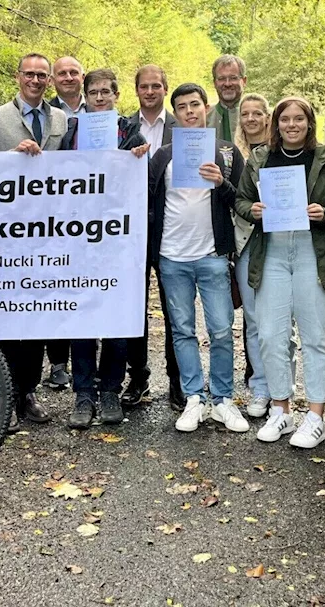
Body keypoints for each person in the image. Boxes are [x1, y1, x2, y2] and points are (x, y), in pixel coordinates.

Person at [236, 97, 325, 448]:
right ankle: (281, 410)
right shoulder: (259, 159)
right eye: (284, 119)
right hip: (271, 250)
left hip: (311, 251)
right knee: (271, 334)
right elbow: (240, 200)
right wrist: (252, 210)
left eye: (298, 119)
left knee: (314, 335)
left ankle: (315, 416)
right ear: (276, 124)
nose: (291, 125)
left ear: (309, 122)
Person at [148, 83, 248, 433]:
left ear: (206, 108)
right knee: (182, 331)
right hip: (172, 258)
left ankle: (222, 399)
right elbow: (148, 201)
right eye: (182, 107)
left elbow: (240, 201)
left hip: (211, 256)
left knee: (221, 329)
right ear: (175, 113)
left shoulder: (227, 152)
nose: (190, 111)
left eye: (195, 104)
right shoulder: (162, 155)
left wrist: (221, 182)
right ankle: (193, 398)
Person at [0, 53, 68, 430]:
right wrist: (11, 159)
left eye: (41, 75)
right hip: (7, 233)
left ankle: (28, 392)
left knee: (37, 320)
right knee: (6, 320)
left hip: (49, 234)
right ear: (17, 77)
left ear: (49, 81)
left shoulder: (62, 119)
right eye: (29, 74)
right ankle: (6, 396)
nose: (35, 80)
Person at [58, 68, 150, 428]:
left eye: (105, 92)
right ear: (86, 96)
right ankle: (83, 393)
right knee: (82, 315)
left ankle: (111, 388)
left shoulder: (131, 134)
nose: (99, 97)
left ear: (115, 96)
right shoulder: (71, 133)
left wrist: (138, 157)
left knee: (116, 314)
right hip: (80, 238)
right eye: (93, 92)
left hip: (118, 240)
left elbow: (142, 184)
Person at [122, 64, 182, 409]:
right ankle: (138, 376)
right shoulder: (121, 127)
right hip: (130, 230)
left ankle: (177, 380)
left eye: (156, 85)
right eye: (144, 86)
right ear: (136, 90)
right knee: (134, 306)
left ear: (164, 88)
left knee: (175, 307)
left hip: (171, 227)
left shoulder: (182, 128)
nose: (150, 91)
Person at [38, 56, 88, 392]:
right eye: (62, 73)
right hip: (50, 214)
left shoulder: (103, 114)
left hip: (91, 218)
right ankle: (58, 363)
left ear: (81, 77)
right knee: (54, 289)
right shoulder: (47, 114)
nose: (68, 77)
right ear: (53, 80)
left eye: (74, 72)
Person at [231, 93, 273, 417]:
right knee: (254, 321)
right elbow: (236, 200)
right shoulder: (232, 154)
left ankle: (281, 389)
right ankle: (260, 388)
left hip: (279, 243)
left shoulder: (280, 153)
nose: (251, 118)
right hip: (244, 242)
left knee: (281, 323)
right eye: (246, 113)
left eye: (258, 113)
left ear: (267, 117)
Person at [207, 55, 246, 143]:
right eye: (221, 79)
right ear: (214, 83)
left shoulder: (263, 117)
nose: (227, 84)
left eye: (233, 78)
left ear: (244, 81)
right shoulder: (204, 119)